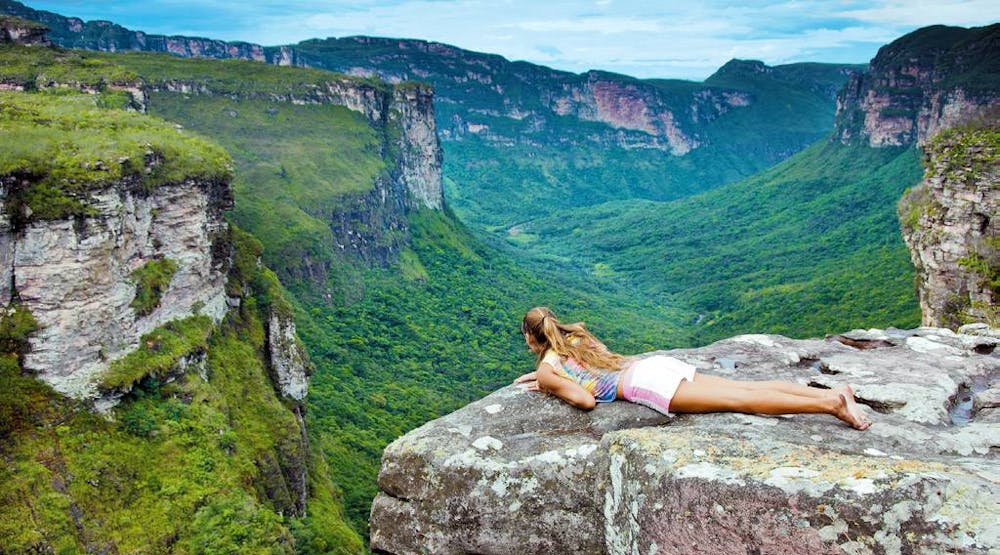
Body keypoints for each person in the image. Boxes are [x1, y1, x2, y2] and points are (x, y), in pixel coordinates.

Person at [513, 307, 871, 430]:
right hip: (655, 366)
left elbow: (584, 400)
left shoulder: (548, 368)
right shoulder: (577, 337)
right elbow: (595, 363)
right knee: (745, 387)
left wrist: (549, 383)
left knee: (742, 401)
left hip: (645, 385)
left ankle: (831, 405)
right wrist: (551, 374)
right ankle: (833, 393)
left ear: (532, 338)